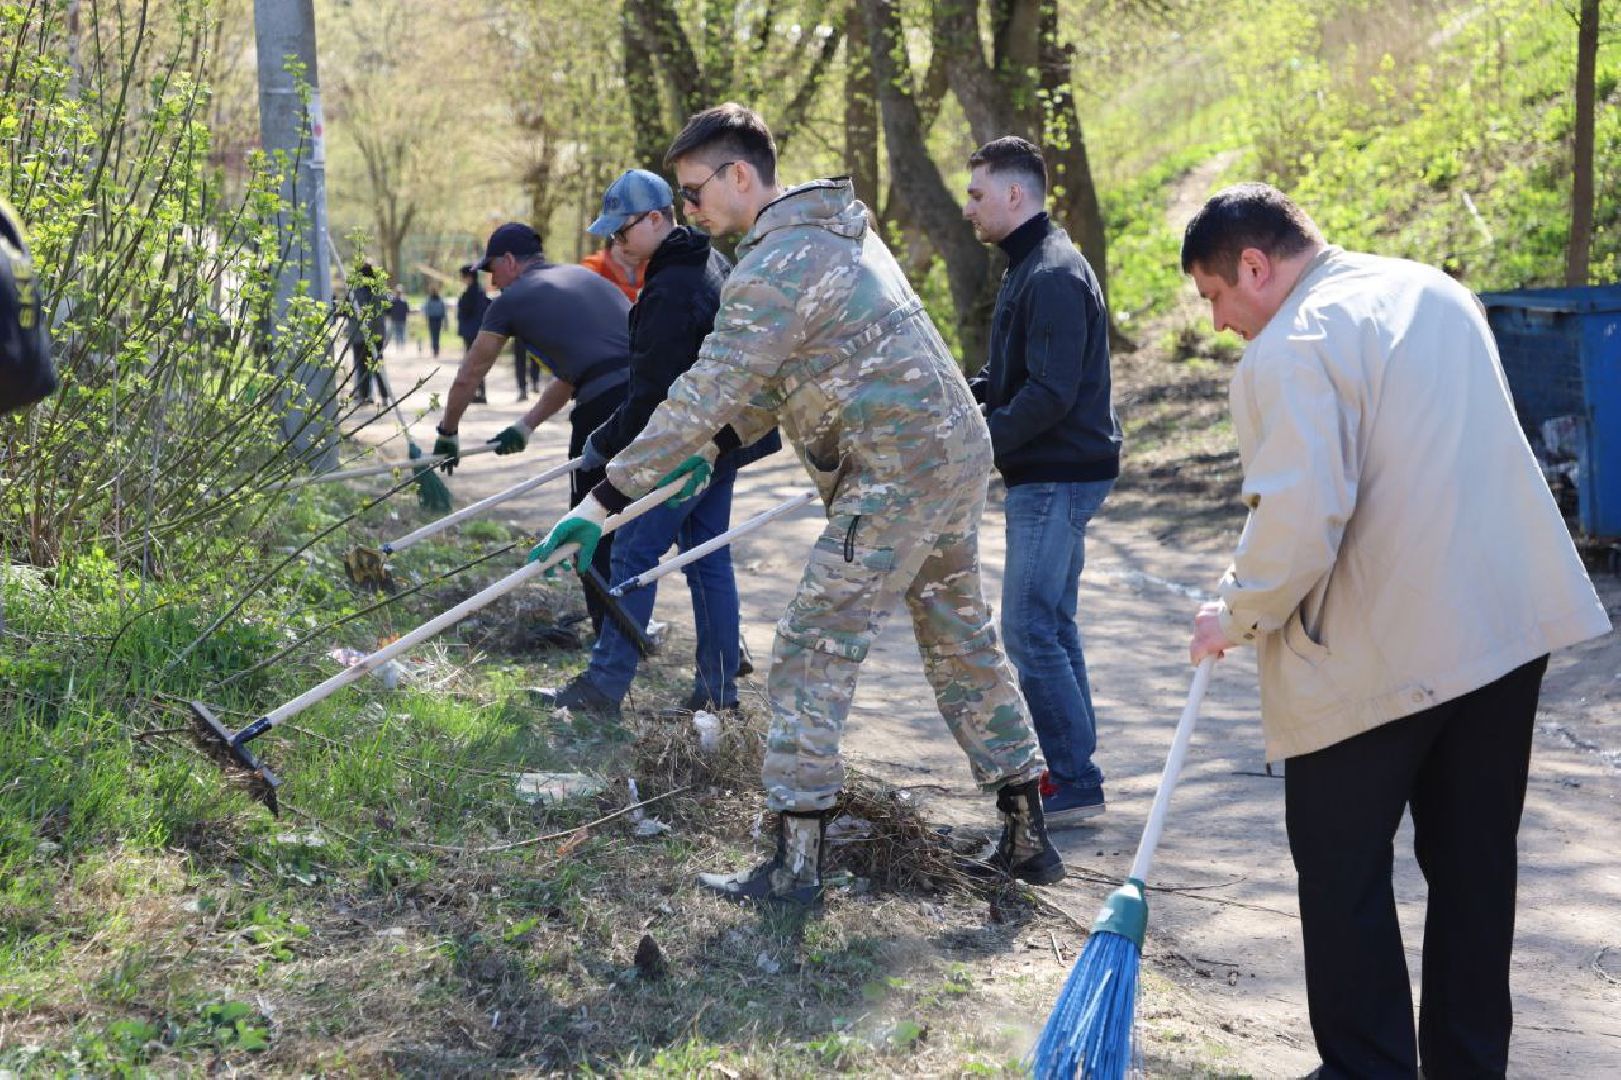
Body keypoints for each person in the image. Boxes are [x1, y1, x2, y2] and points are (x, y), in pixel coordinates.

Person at [527, 103, 1060, 907]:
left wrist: (600, 501)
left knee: (813, 642)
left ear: (741, 175)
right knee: (958, 633)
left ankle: (795, 860)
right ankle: (1026, 827)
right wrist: (706, 456)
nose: (689, 209)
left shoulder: (775, 263)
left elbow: (706, 389)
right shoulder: (838, 233)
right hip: (949, 454)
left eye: (694, 189)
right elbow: (772, 385)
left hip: (893, 472)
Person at [1181, 183, 1611, 1078]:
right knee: (1473, 869)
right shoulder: (1432, 289)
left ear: (1253, 266)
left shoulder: (1289, 347)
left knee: (1340, 876)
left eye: (1215, 295)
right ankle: (1466, 1064)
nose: (1220, 322)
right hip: (1502, 628)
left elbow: (1301, 522)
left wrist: (1233, 614)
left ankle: (1366, 1067)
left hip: (1374, 656)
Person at [536, 169, 780, 721]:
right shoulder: (707, 259)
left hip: (690, 444)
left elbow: (652, 394)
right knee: (706, 555)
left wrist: (606, 444)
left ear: (653, 220)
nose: (614, 244)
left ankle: (603, 687)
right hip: (722, 440)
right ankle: (718, 691)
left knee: (632, 553)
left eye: (620, 232)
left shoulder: (672, 286)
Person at [962, 136, 1121, 825]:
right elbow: (1018, 376)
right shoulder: (1027, 266)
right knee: (1050, 625)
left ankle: (1071, 778)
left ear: (1013, 195)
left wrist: (978, 447)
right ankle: (1073, 769)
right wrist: (961, 396)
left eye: (975, 194)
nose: (968, 208)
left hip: (1057, 475)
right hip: (1048, 473)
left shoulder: (1052, 271)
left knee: (1028, 628)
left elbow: (1051, 393)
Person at [432, 222, 632, 634]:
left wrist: (447, 431)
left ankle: (612, 646)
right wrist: (526, 426)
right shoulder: (584, 277)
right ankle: (690, 640)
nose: (491, 281)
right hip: (653, 397)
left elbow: (471, 373)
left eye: (492, 270)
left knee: (589, 526)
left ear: (509, 261)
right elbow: (580, 371)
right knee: (642, 516)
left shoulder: (512, 299)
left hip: (604, 410)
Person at [346, 264, 389, 405]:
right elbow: (387, 307)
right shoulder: (379, 292)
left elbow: (347, 311)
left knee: (362, 366)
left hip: (359, 335)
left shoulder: (354, 293)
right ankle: (384, 396)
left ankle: (364, 396)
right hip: (376, 334)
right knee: (377, 365)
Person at [455, 265, 489, 403]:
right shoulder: (480, 292)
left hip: (472, 332)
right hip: (478, 331)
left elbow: (466, 311)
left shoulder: (471, 294)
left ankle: (477, 392)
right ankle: (478, 391)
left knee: (472, 363)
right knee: (476, 363)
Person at [580, 234, 642, 304]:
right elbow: (588, 289)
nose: (638, 249)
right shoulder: (594, 264)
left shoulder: (650, 266)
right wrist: (637, 294)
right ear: (616, 241)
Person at [422, 285, 447, 358]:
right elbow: (443, 311)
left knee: (433, 335)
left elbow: (426, 310)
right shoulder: (440, 300)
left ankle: (434, 349)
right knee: (437, 335)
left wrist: (426, 317)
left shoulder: (429, 300)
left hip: (432, 319)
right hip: (438, 319)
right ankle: (436, 350)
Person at [387, 284, 409, 350]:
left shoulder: (393, 301)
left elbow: (389, 310)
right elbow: (407, 310)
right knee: (400, 332)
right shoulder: (402, 301)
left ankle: (400, 346)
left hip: (397, 319)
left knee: (399, 332)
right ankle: (400, 346)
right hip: (399, 319)